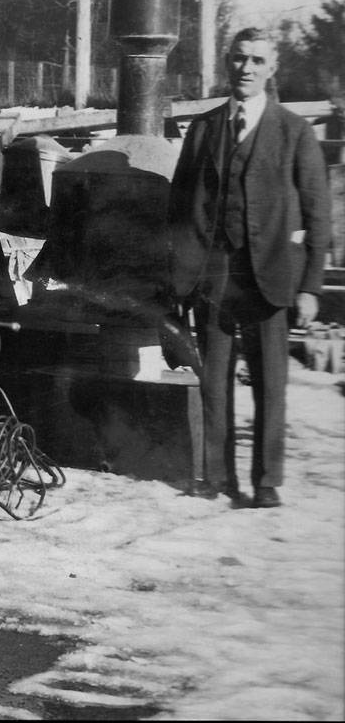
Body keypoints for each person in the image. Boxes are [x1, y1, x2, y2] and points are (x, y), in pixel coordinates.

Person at [168, 26, 330, 507]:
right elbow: (179, 208)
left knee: (270, 382)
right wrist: (180, 275)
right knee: (213, 381)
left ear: (272, 68)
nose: (247, 68)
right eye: (240, 58)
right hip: (213, 275)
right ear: (227, 63)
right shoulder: (204, 128)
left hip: (271, 275)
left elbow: (319, 214)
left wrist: (310, 287)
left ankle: (266, 482)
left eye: (258, 60)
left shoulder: (294, 131)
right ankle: (216, 476)